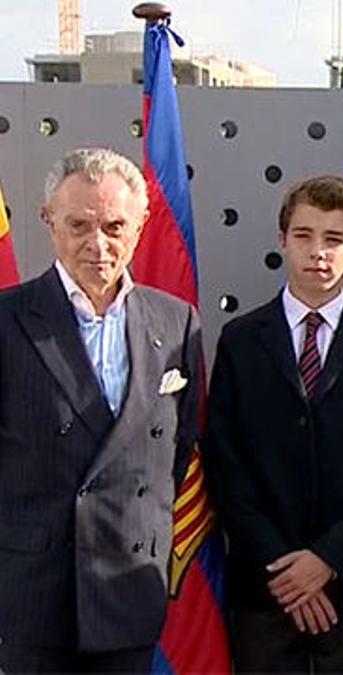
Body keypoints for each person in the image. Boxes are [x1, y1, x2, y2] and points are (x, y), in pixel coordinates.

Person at [0, 148, 202, 672]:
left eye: (114, 225)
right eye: (78, 224)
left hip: (127, 586)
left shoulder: (177, 323)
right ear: (48, 222)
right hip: (33, 594)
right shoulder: (7, 320)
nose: (98, 244)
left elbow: (176, 452)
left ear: (141, 224)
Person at [204, 176, 343, 672]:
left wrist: (326, 561)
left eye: (334, 239)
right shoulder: (241, 340)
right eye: (304, 236)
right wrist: (284, 567)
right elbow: (225, 461)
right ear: (282, 241)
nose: (317, 252)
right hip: (265, 585)